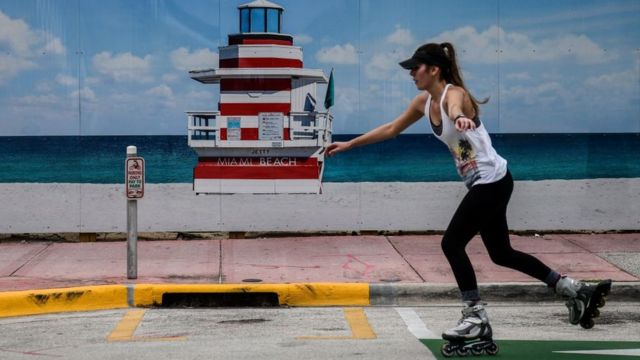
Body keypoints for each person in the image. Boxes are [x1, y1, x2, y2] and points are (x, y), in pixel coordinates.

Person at [325, 42, 606, 343]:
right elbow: (392, 128)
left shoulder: (453, 94)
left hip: (492, 182)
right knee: (501, 254)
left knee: (451, 244)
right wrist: (349, 144)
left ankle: (475, 315)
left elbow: (457, 107)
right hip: (489, 183)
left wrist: (460, 117)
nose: (411, 74)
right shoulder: (423, 102)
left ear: (434, 69)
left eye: (415, 68)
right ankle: (574, 289)